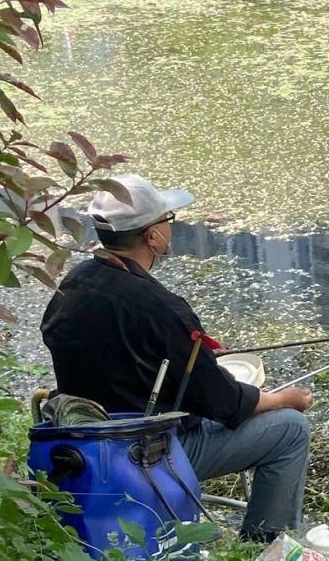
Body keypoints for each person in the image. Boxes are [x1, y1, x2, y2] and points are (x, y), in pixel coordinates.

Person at [40, 176, 314, 541]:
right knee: (291, 430)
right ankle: (265, 549)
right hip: (144, 453)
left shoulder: (72, 284)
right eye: (168, 218)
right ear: (153, 236)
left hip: (88, 443)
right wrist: (284, 400)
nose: (172, 226)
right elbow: (224, 402)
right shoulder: (162, 309)